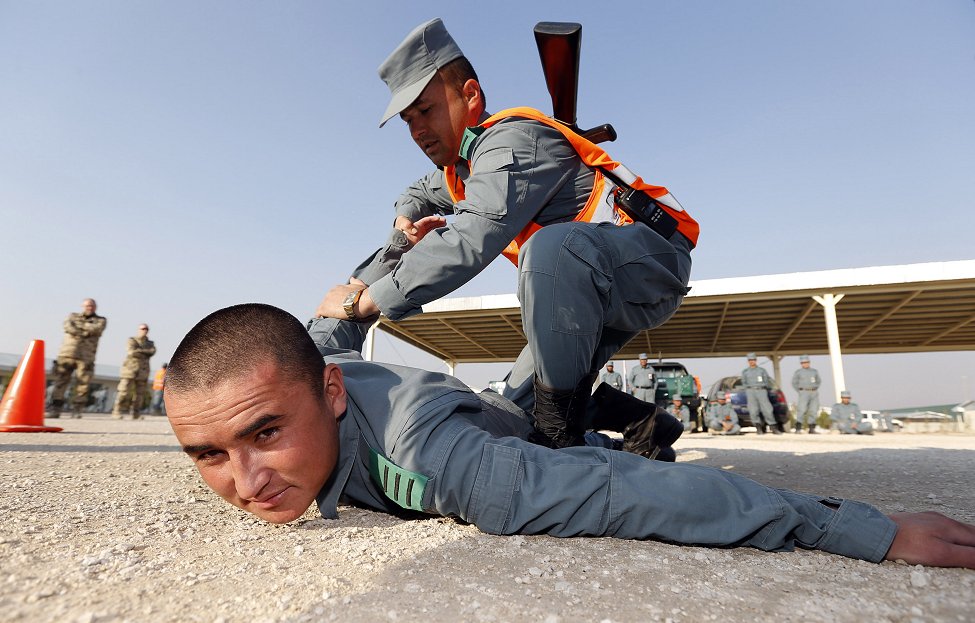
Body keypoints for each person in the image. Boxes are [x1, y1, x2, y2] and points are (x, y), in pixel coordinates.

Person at [164, 304, 975, 570]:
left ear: (331, 394)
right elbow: (325, 328)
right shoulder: (306, 363)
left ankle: (632, 410)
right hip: (474, 401)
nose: (244, 478)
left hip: (506, 429)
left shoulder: (441, 462)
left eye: (265, 433)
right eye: (207, 453)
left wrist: (856, 526)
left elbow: (628, 495)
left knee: (580, 443)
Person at [313, 18, 698, 450]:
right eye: (407, 120)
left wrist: (362, 300)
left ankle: (562, 451)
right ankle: (643, 433)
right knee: (508, 411)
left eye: (426, 110)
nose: (417, 130)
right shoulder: (463, 168)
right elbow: (419, 191)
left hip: (649, 260)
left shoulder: (511, 142)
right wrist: (405, 219)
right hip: (583, 291)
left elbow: (469, 239)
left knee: (552, 247)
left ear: (470, 95)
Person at [46, 298, 107, 419]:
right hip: (67, 354)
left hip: (86, 357)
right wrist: (85, 330)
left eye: (92, 306)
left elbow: (96, 329)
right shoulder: (72, 316)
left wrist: (78, 328)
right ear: (82, 306)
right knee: (60, 382)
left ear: (95, 307)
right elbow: (68, 326)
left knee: (83, 384)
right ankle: (55, 409)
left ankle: (77, 409)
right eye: (87, 305)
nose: (89, 307)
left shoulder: (100, 320)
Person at [112, 324, 156, 420]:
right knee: (123, 391)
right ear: (138, 330)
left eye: (146, 329)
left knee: (139, 394)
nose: (144, 330)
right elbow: (132, 352)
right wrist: (145, 352)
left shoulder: (150, 343)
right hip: (129, 370)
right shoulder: (132, 340)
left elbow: (152, 352)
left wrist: (140, 351)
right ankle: (116, 411)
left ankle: (136, 413)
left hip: (143, 371)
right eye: (142, 328)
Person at [741, 353, 779, 434]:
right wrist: (748, 389)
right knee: (753, 410)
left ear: (756, 360)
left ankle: (773, 426)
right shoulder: (745, 372)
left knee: (767, 409)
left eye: (753, 360)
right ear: (748, 361)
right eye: (750, 360)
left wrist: (764, 387)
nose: (752, 362)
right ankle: (758, 427)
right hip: (751, 391)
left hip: (762, 390)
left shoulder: (761, 370)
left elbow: (767, 381)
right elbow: (743, 382)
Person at [791, 355, 821, 433]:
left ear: (809, 362)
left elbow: (819, 381)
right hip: (803, 392)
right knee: (802, 409)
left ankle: (811, 428)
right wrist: (800, 391)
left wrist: (815, 388)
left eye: (806, 362)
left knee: (814, 410)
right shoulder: (798, 372)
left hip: (814, 392)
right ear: (801, 363)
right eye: (803, 362)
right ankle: (798, 428)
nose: (805, 364)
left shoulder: (814, 371)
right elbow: (794, 383)